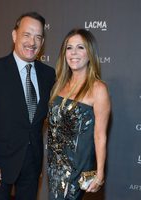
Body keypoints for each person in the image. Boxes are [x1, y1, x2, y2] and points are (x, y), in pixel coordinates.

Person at [0, 12, 55, 200]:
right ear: (14, 35)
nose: (32, 42)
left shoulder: (48, 75)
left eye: (38, 37)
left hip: (32, 164)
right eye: (27, 34)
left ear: (42, 43)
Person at [47, 28, 111, 200]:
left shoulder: (98, 89)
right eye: (69, 47)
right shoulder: (59, 85)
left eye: (80, 47)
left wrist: (99, 173)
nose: (73, 53)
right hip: (55, 166)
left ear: (90, 53)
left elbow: (100, 135)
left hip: (78, 168)